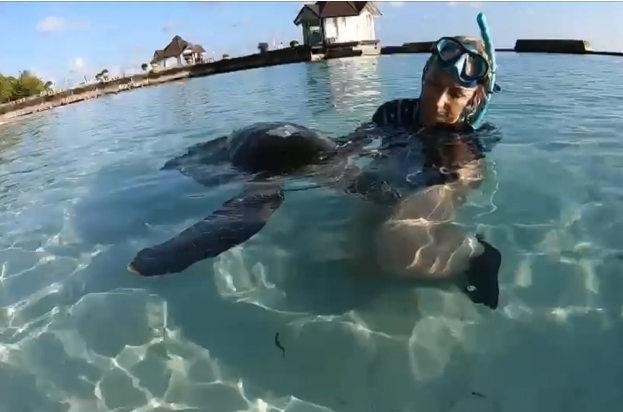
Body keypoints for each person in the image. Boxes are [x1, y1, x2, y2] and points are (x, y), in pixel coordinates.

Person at [361, 13, 503, 310]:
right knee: (356, 249)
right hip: (386, 180)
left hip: (434, 185)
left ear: (474, 99)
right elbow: (354, 145)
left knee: (397, 253)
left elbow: (469, 179)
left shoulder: (473, 136)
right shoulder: (392, 113)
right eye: (435, 84)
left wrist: (458, 166)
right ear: (424, 73)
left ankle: (475, 255)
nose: (439, 102)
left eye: (455, 94)